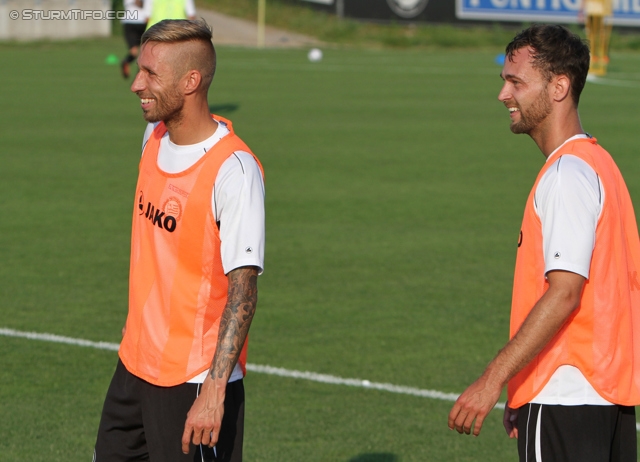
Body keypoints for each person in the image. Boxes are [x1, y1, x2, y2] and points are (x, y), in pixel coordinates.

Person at [448, 24, 640, 461]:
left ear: (559, 87)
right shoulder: (599, 163)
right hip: (606, 396)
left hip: (565, 397)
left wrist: (492, 379)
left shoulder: (565, 175)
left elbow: (565, 292)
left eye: (516, 81)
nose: (503, 95)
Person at [94, 19, 265, 462]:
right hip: (133, 367)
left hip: (193, 383)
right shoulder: (152, 137)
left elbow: (244, 290)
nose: (136, 84)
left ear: (191, 81)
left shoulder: (235, 171)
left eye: (151, 73)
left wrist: (213, 391)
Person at [120, 0, 148, 79]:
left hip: (132, 21)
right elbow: (139, 3)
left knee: (136, 51)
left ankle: (126, 61)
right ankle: (139, 75)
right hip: (138, 21)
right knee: (141, 51)